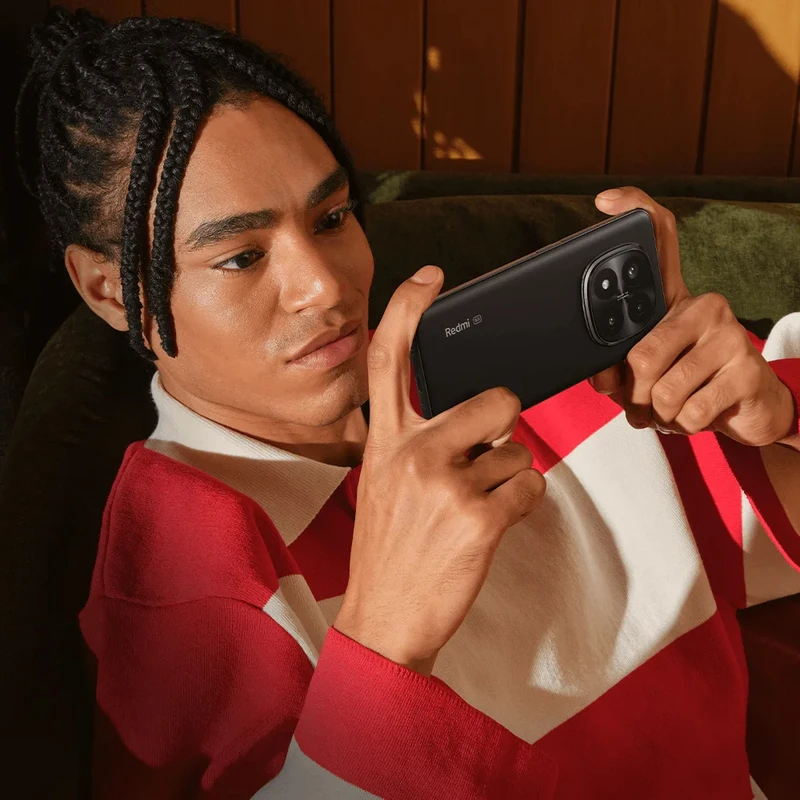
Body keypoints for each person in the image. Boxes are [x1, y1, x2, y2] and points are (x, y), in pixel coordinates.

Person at [16, 7, 800, 800]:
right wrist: (387, 640)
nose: (327, 286)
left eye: (332, 218)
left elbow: (755, 539)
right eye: (242, 256)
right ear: (109, 291)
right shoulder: (175, 578)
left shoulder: (533, 378)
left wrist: (774, 420)